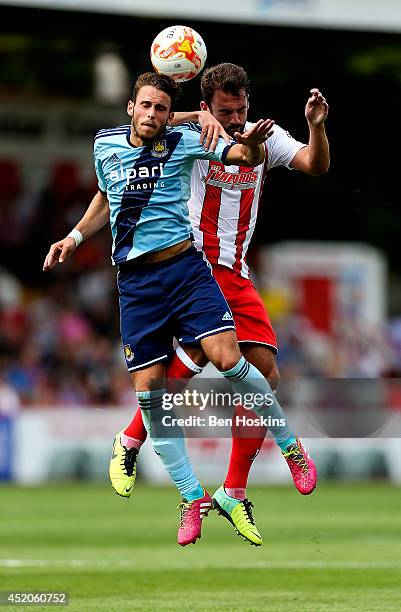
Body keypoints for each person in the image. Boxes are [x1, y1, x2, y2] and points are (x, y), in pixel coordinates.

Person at [44, 72, 304, 547]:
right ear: (130, 106)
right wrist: (75, 236)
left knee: (237, 360)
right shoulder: (106, 145)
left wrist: (249, 142)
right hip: (137, 283)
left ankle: (283, 449)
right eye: (146, 106)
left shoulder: (186, 142)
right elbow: (106, 194)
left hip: (190, 268)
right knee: (155, 394)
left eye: (161, 108)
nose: (152, 114)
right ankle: (188, 492)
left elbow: (245, 155)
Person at [109, 64, 329, 544]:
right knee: (208, 364)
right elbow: (148, 122)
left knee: (263, 371)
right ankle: (139, 444)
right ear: (207, 107)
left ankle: (225, 487)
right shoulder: (190, 132)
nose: (234, 119)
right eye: (225, 111)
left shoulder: (262, 137)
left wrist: (316, 125)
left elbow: (315, 165)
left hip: (236, 271)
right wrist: (194, 116)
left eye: (241, 110)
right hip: (192, 264)